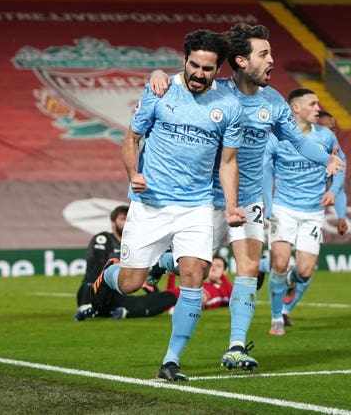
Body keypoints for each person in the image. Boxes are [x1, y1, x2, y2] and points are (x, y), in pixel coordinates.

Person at [148, 23, 345, 371]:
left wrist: (325, 157)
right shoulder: (216, 92)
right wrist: (158, 74)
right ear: (240, 60)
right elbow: (180, 86)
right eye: (264, 54)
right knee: (195, 268)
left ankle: (236, 347)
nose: (272, 60)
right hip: (208, 199)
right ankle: (163, 263)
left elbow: (297, 141)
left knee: (250, 268)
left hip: (251, 198)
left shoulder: (274, 102)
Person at [90, 29, 245, 381]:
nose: (199, 73)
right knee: (130, 284)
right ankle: (109, 273)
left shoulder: (229, 106)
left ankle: (170, 360)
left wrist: (232, 205)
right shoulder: (159, 89)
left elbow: (228, 162)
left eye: (207, 68)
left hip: (197, 206)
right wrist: (133, 173)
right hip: (151, 205)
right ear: (184, 60)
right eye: (194, 65)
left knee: (195, 274)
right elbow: (131, 138)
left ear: (217, 69)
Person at [262, 88, 346, 334]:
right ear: (295, 108)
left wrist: (334, 189)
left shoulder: (327, 136)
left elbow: (341, 163)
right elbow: (266, 171)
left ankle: (289, 281)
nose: (318, 108)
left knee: (304, 271)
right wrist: (268, 202)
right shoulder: (276, 138)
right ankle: (277, 318)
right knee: (279, 263)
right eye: (312, 104)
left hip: (313, 212)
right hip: (284, 208)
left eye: (318, 103)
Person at [75, 205, 176, 321]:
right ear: (113, 223)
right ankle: (91, 306)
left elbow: (145, 273)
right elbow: (95, 272)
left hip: (124, 292)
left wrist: (151, 290)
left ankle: (117, 312)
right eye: (123, 219)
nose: (127, 222)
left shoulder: (137, 243)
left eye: (129, 219)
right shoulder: (103, 239)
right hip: (99, 291)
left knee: (168, 297)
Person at [164, 254, 233, 309]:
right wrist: (171, 275)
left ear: (224, 271)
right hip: (174, 295)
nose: (214, 268)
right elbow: (170, 291)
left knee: (197, 295)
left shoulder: (225, 288)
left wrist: (222, 277)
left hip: (188, 299)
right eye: (212, 265)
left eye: (218, 266)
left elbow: (234, 299)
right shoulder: (202, 283)